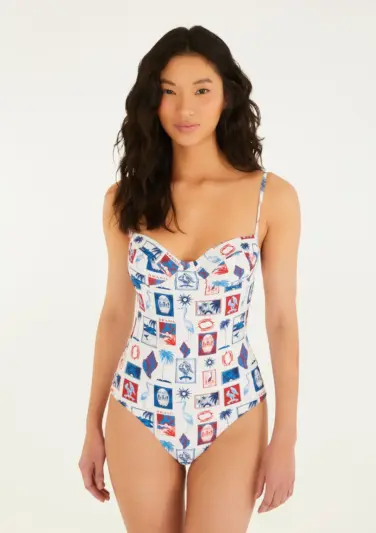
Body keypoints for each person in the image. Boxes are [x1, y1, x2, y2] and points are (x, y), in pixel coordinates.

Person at [78, 25, 300, 533]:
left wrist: (285, 436)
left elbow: (282, 320)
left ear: (227, 96)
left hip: (233, 407)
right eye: (168, 91)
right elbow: (116, 312)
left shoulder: (271, 198)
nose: (185, 109)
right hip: (139, 403)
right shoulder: (123, 200)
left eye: (202, 90)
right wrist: (91, 424)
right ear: (151, 101)